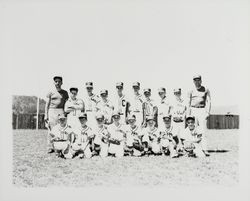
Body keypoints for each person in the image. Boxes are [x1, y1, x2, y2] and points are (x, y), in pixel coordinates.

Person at [187, 75, 211, 155]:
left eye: (198, 80)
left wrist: (207, 112)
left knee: (203, 130)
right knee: (193, 130)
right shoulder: (191, 90)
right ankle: (193, 149)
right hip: (193, 110)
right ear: (193, 81)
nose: (197, 82)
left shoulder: (205, 89)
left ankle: (205, 149)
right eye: (195, 80)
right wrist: (188, 113)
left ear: (201, 80)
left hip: (202, 110)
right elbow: (188, 102)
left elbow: (208, 101)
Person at [44, 76, 69, 153]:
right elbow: (47, 104)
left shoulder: (65, 92)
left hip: (61, 111)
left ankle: (59, 146)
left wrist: (65, 113)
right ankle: (50, 147)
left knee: (61, 129)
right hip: (52, 111)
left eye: (59, 81)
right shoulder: (50, 92)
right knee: (51, 129)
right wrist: (46, 115)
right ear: (54, 82)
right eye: (56, 81)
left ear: (62, 82)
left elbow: (67, 103)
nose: (57, 83)